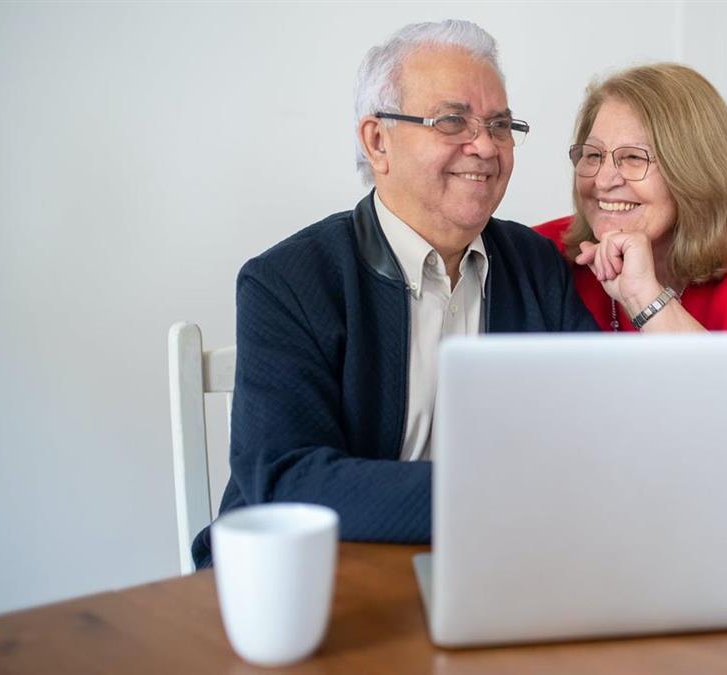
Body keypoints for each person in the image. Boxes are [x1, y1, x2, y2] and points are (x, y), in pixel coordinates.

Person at [191, 20, 597, 569]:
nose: (484, 146)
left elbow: (602, 433)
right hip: (313, 578)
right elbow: (287, 479)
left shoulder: (536, 267)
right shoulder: (287, 281)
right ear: (377, 141)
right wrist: (494, 497)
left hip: (492, 566)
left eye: (500, 125)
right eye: (452, 120)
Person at [536, 63, 727, 333]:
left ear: (695, 171)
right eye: (593, 155)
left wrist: (643, 297)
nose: (603, 180)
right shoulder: (538, 254)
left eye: (633, 157)